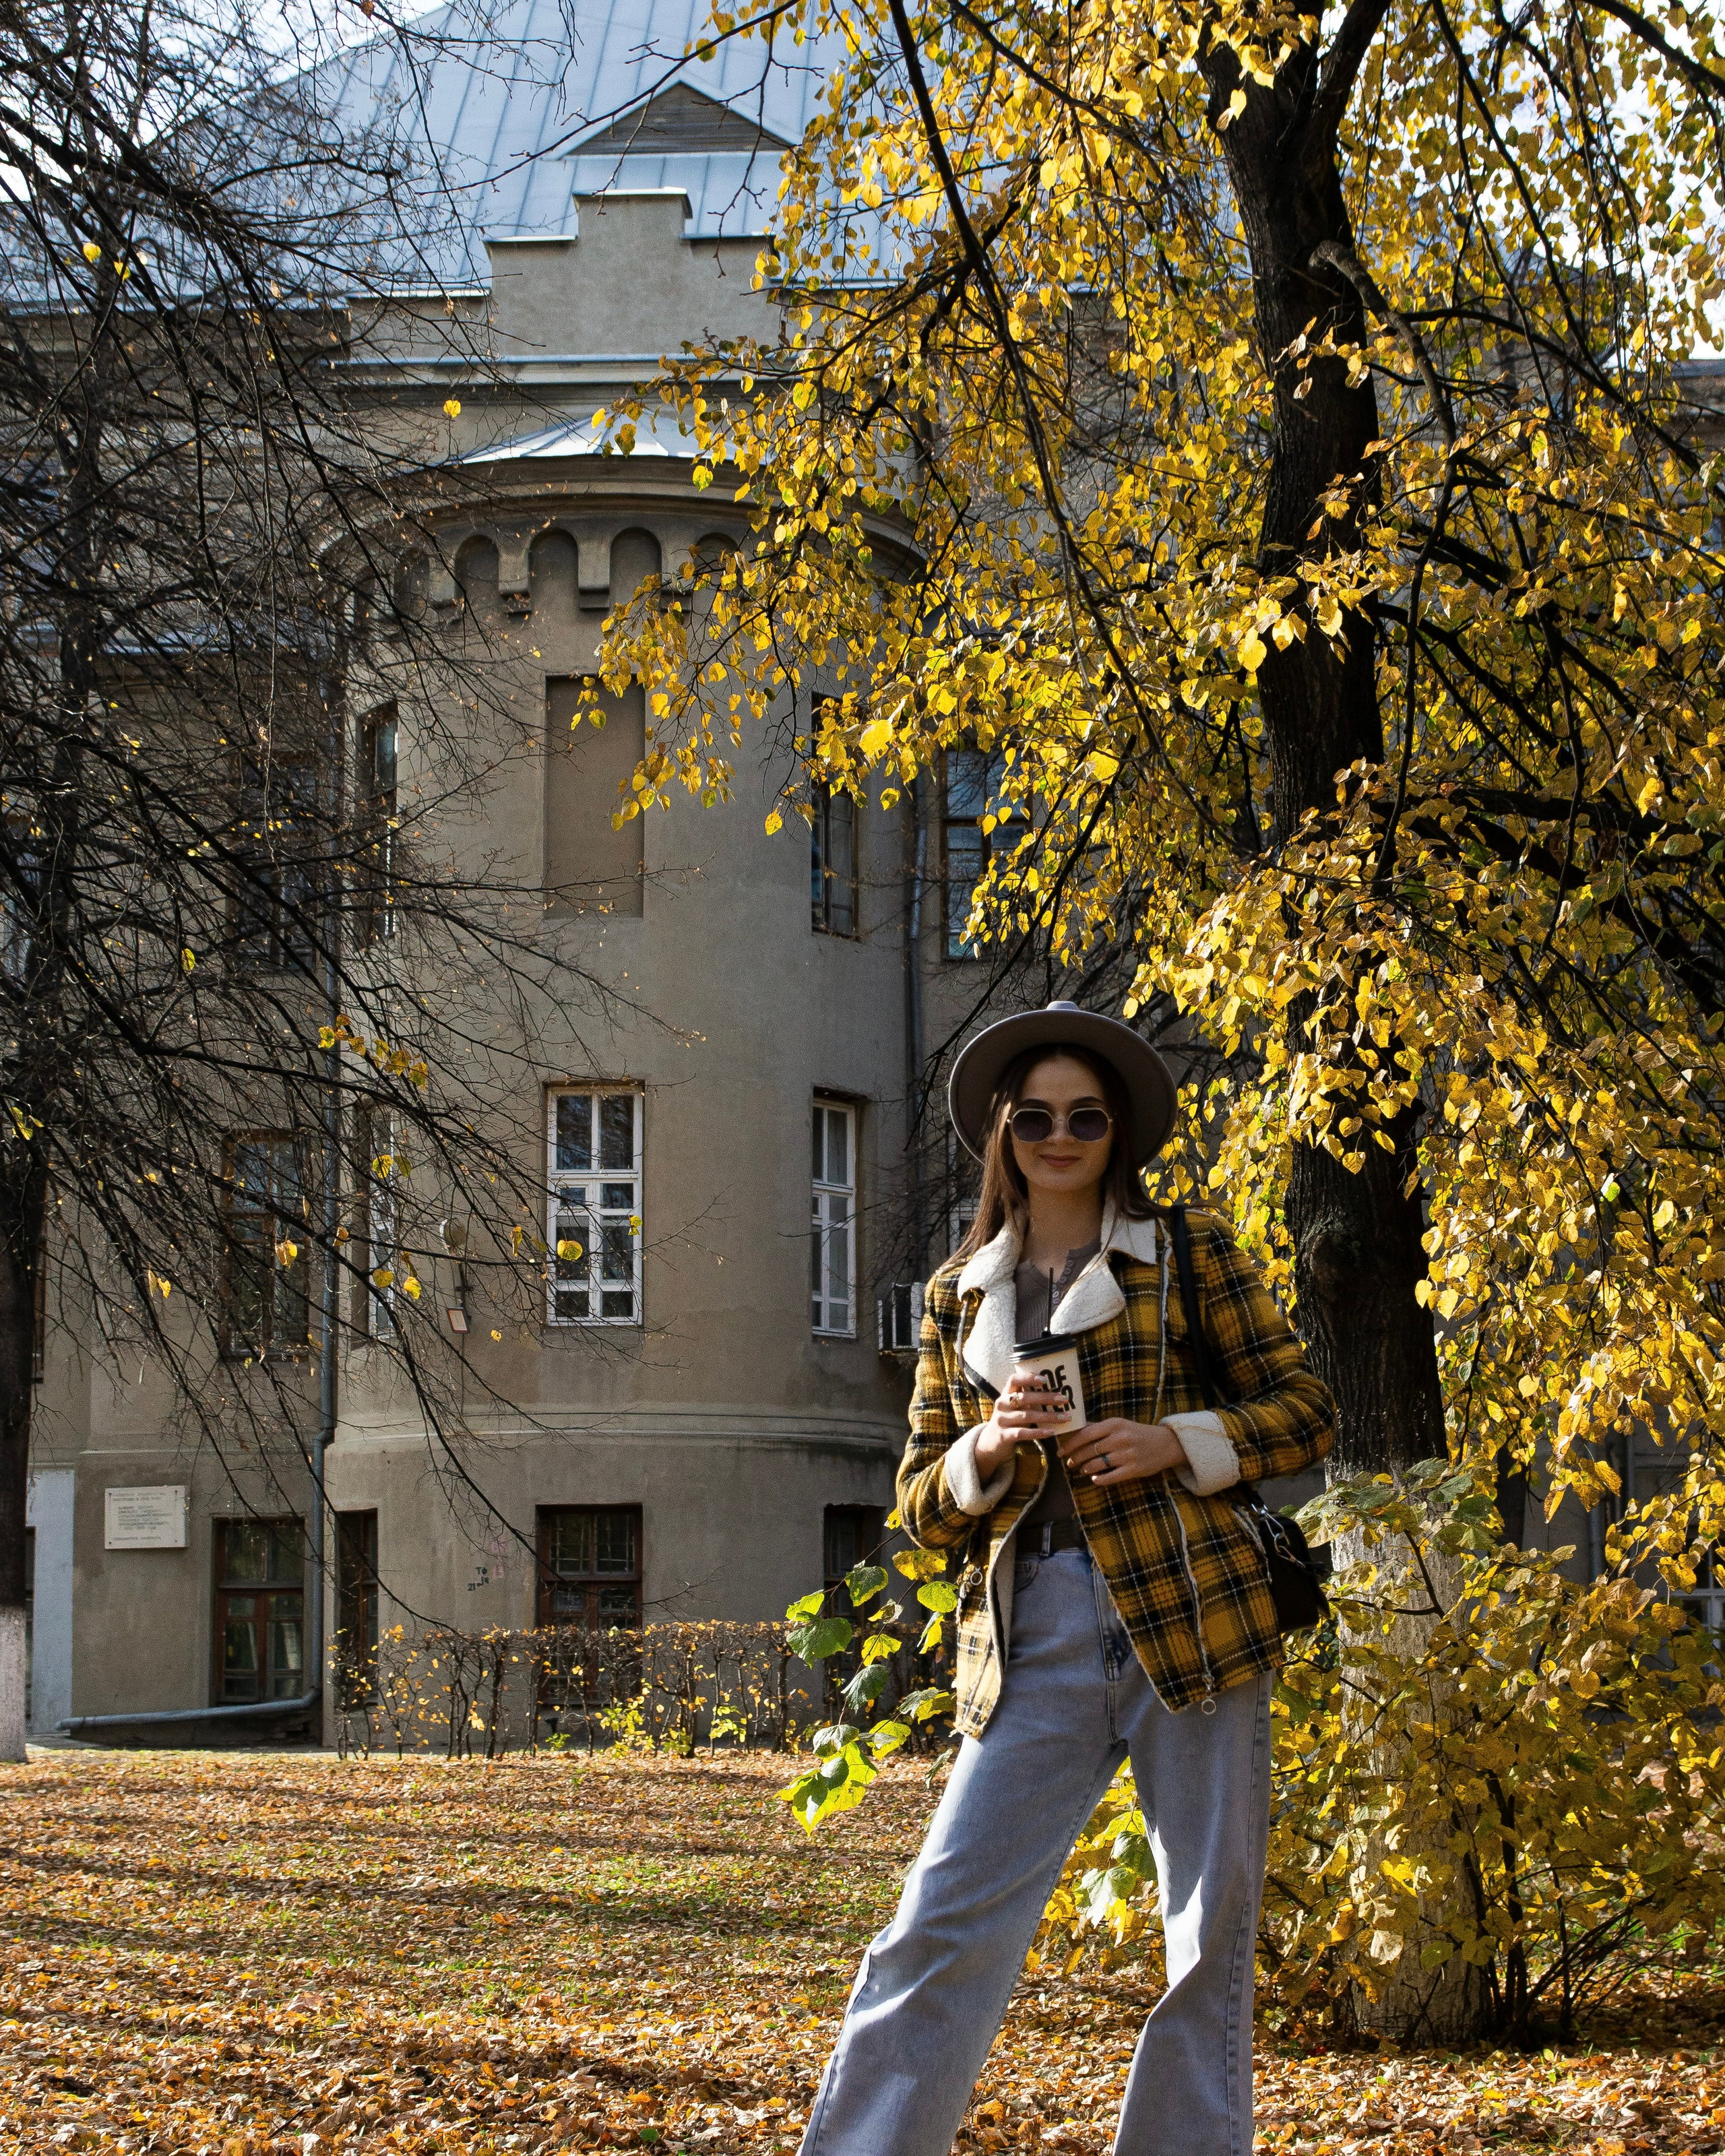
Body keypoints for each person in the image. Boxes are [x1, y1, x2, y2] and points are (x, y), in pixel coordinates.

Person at [798, 1000, 1336, 2156]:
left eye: (1085, 1117)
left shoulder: (1185, 1249)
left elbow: (1305, 1411)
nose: (1060, 1136)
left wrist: (1174, 1440)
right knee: (937, 1925)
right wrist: (988, 1448)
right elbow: (918, 1507)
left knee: (1205, 1940)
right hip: (1030, 1632)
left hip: (1192, 1619)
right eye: (1036, 1117)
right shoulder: (958, 1293)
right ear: (1002, 1130)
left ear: (1117, 1131)